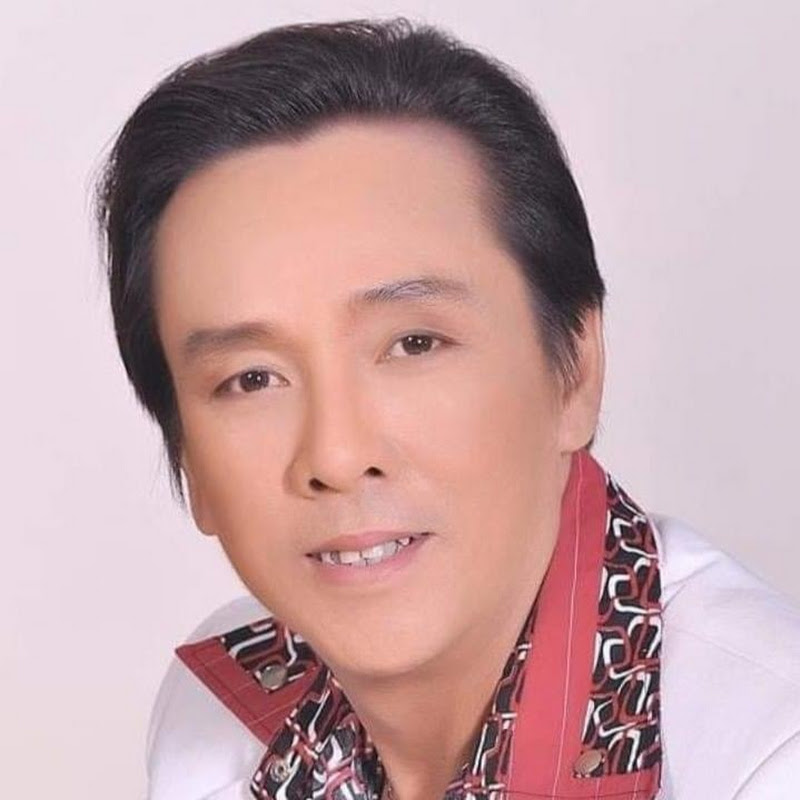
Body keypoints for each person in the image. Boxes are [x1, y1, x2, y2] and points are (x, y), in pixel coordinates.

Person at [94, 17, 800, 800]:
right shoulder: (217, 712)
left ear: (575, 370)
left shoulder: (769, 757)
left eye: (414, 344)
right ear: (188, 459)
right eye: (252, 379)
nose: (336, 456)